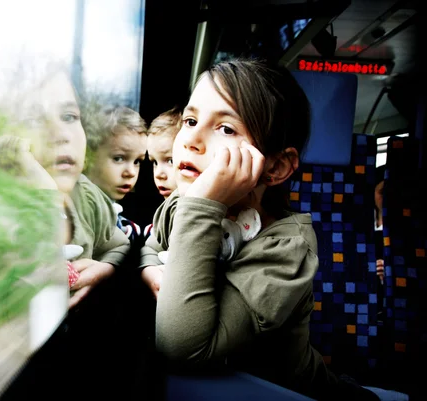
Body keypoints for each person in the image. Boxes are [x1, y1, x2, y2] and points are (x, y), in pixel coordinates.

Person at [148, 58, 405, 401]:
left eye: (226, 128)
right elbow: (151, 242)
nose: (191, 139)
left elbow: (181, 345)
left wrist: (202, 205)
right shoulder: (184, 203)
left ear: (277, 166)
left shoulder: (286, 250)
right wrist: (148, 268)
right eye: (190, 120)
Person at [0, 67, 130, 309]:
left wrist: (105, 268)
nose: (61, 134)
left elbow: (119, 245)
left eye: (69, 117)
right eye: (34, 121)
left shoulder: (86, 194)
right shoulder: (1, 209)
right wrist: (47, 194)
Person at [83, 105, 148, 241]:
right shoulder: (82, 212)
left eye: (137, 161)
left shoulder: (115, 215)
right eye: (118, 158)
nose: (130, 172)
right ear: (88, 157)